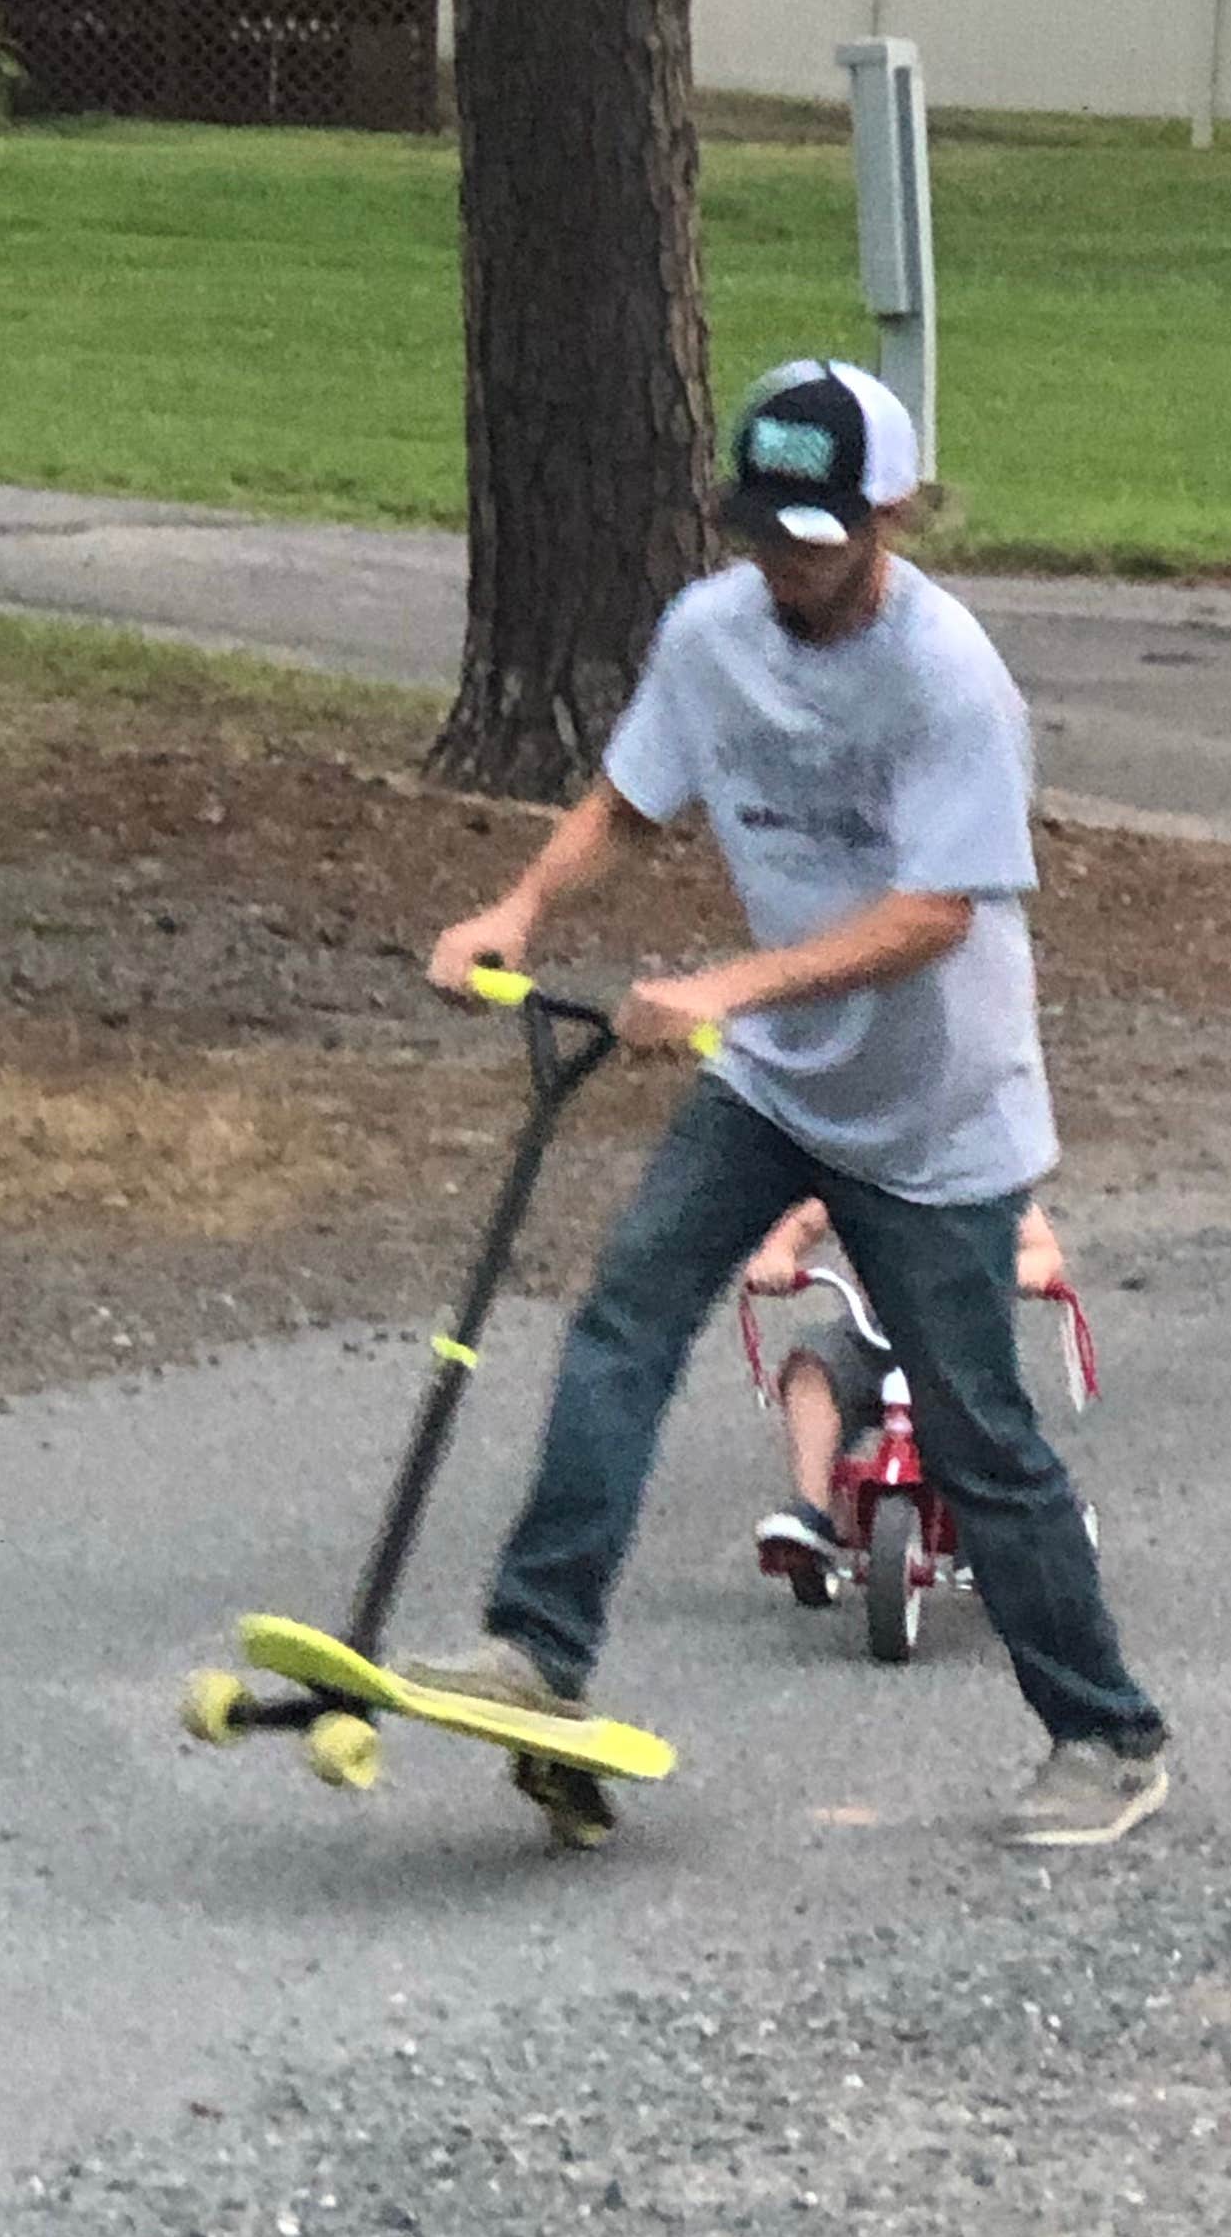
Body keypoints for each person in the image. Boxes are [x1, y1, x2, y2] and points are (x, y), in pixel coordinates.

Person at [406, 359, 1171, 1851]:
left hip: (940, 1119)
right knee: (627, 1315)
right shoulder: (710, 635)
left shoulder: (949, 677)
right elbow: (629, 802)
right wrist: (519, 912)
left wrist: (725, 988)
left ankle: (1108, 1732)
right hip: (775, 1089)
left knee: (973, 1437)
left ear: (888, 512)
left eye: (819, 533)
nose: (789, 560)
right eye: (766, 529)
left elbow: (936, 914)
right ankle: (538, 1652)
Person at [746, 1190, 1070, 1583]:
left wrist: (1013, 1272)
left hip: (958, 1336)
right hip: (877, 1333)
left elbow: (1042, 1251)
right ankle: (812, 1510)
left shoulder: (987, 1181)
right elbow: (806, 1221)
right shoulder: (869, 1173)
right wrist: (778, 1254)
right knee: (812, 1364)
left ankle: (988, 1527)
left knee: (980, 1407)